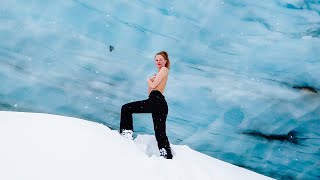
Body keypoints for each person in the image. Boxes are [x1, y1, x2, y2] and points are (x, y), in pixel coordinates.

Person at [119, 51, 173, 159]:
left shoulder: (164, 69)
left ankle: (126, 133)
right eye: (156, 60)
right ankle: (167, 155)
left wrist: (149, 80)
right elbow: (150, 91)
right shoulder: (159, 73)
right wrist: (152, 81)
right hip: (159, 103)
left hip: (157, 101)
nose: (158, 61)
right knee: (160, 133)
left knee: (126, 108)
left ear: (165, 61)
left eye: (160, 59)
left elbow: (152, 85)